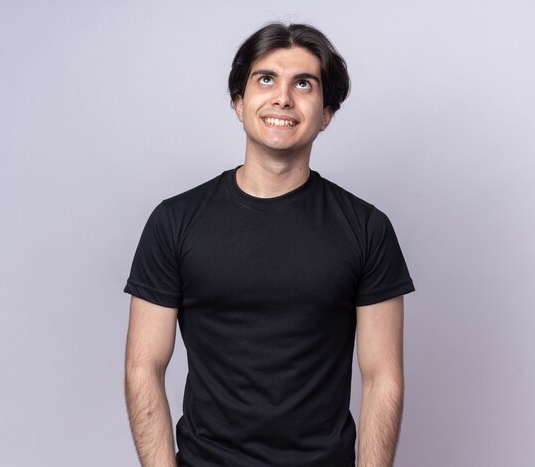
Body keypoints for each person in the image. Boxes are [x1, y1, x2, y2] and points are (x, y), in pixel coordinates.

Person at [124, 22, 415, 467]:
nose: (283, 97)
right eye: (265, 79)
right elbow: (143, 367)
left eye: (304, 83)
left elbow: (382, 379)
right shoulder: (175, 221)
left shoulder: (367, 229)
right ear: (239, 103)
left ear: (326, 113)